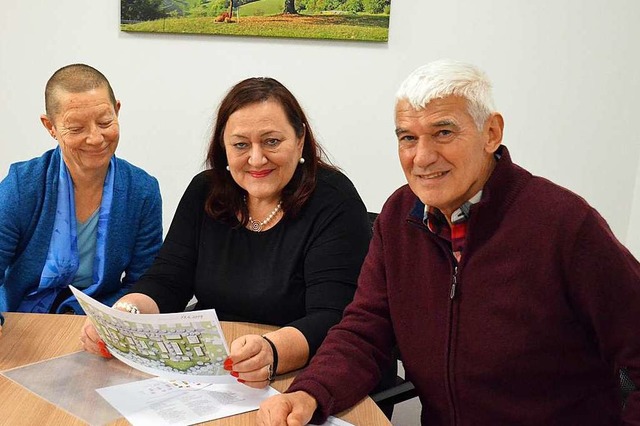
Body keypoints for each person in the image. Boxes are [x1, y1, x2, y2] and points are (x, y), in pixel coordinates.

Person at [256, 59, 640, 425]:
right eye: (408, 138)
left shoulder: (564, 225)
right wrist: (310, 393)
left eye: (443, 132)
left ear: (491, 133)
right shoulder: (399, 215)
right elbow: (365, 330)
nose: (422, 157)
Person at [80, 77, 373, 391]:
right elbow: (167, 281)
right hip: (219, 372)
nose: (256, 159)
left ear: (300, 139)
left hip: (303, 375)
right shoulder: (205, 191)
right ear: (224, 146)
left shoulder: (334, 199)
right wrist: (125, 315)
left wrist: (271, 351)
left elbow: (332, 317)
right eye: (241, 145)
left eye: (272, 141)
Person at [0, 64, 163, 331]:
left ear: (117, 110)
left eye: (105, 122)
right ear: (50, 126)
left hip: (100, 324)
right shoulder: (22, 186)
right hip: (20, 320)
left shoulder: (142, 191)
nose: (96, 138)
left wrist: (118, 317)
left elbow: (144, 282)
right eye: (76, 128)